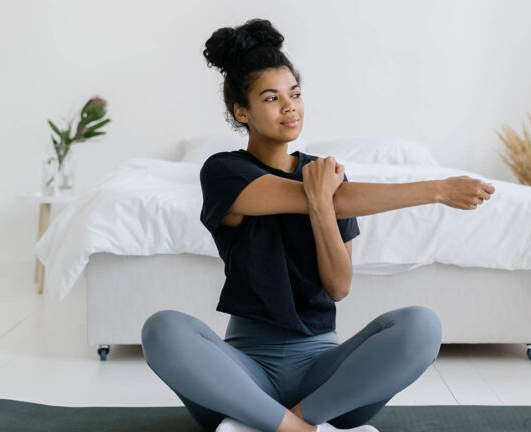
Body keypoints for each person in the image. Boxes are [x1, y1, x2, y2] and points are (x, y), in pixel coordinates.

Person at [140, 18, 495, 432]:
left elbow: (339, 287)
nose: (289, 106)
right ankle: (296, 429)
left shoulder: (325, 175)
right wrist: (438, 189)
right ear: (242, 111)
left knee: (422, 325)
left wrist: (325, 205)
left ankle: (293, 422)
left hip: (326, 381)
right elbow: (314, 197)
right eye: (271, 98)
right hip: (244, 376)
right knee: (162, 329)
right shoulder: (224, 171)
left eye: (295, 94)